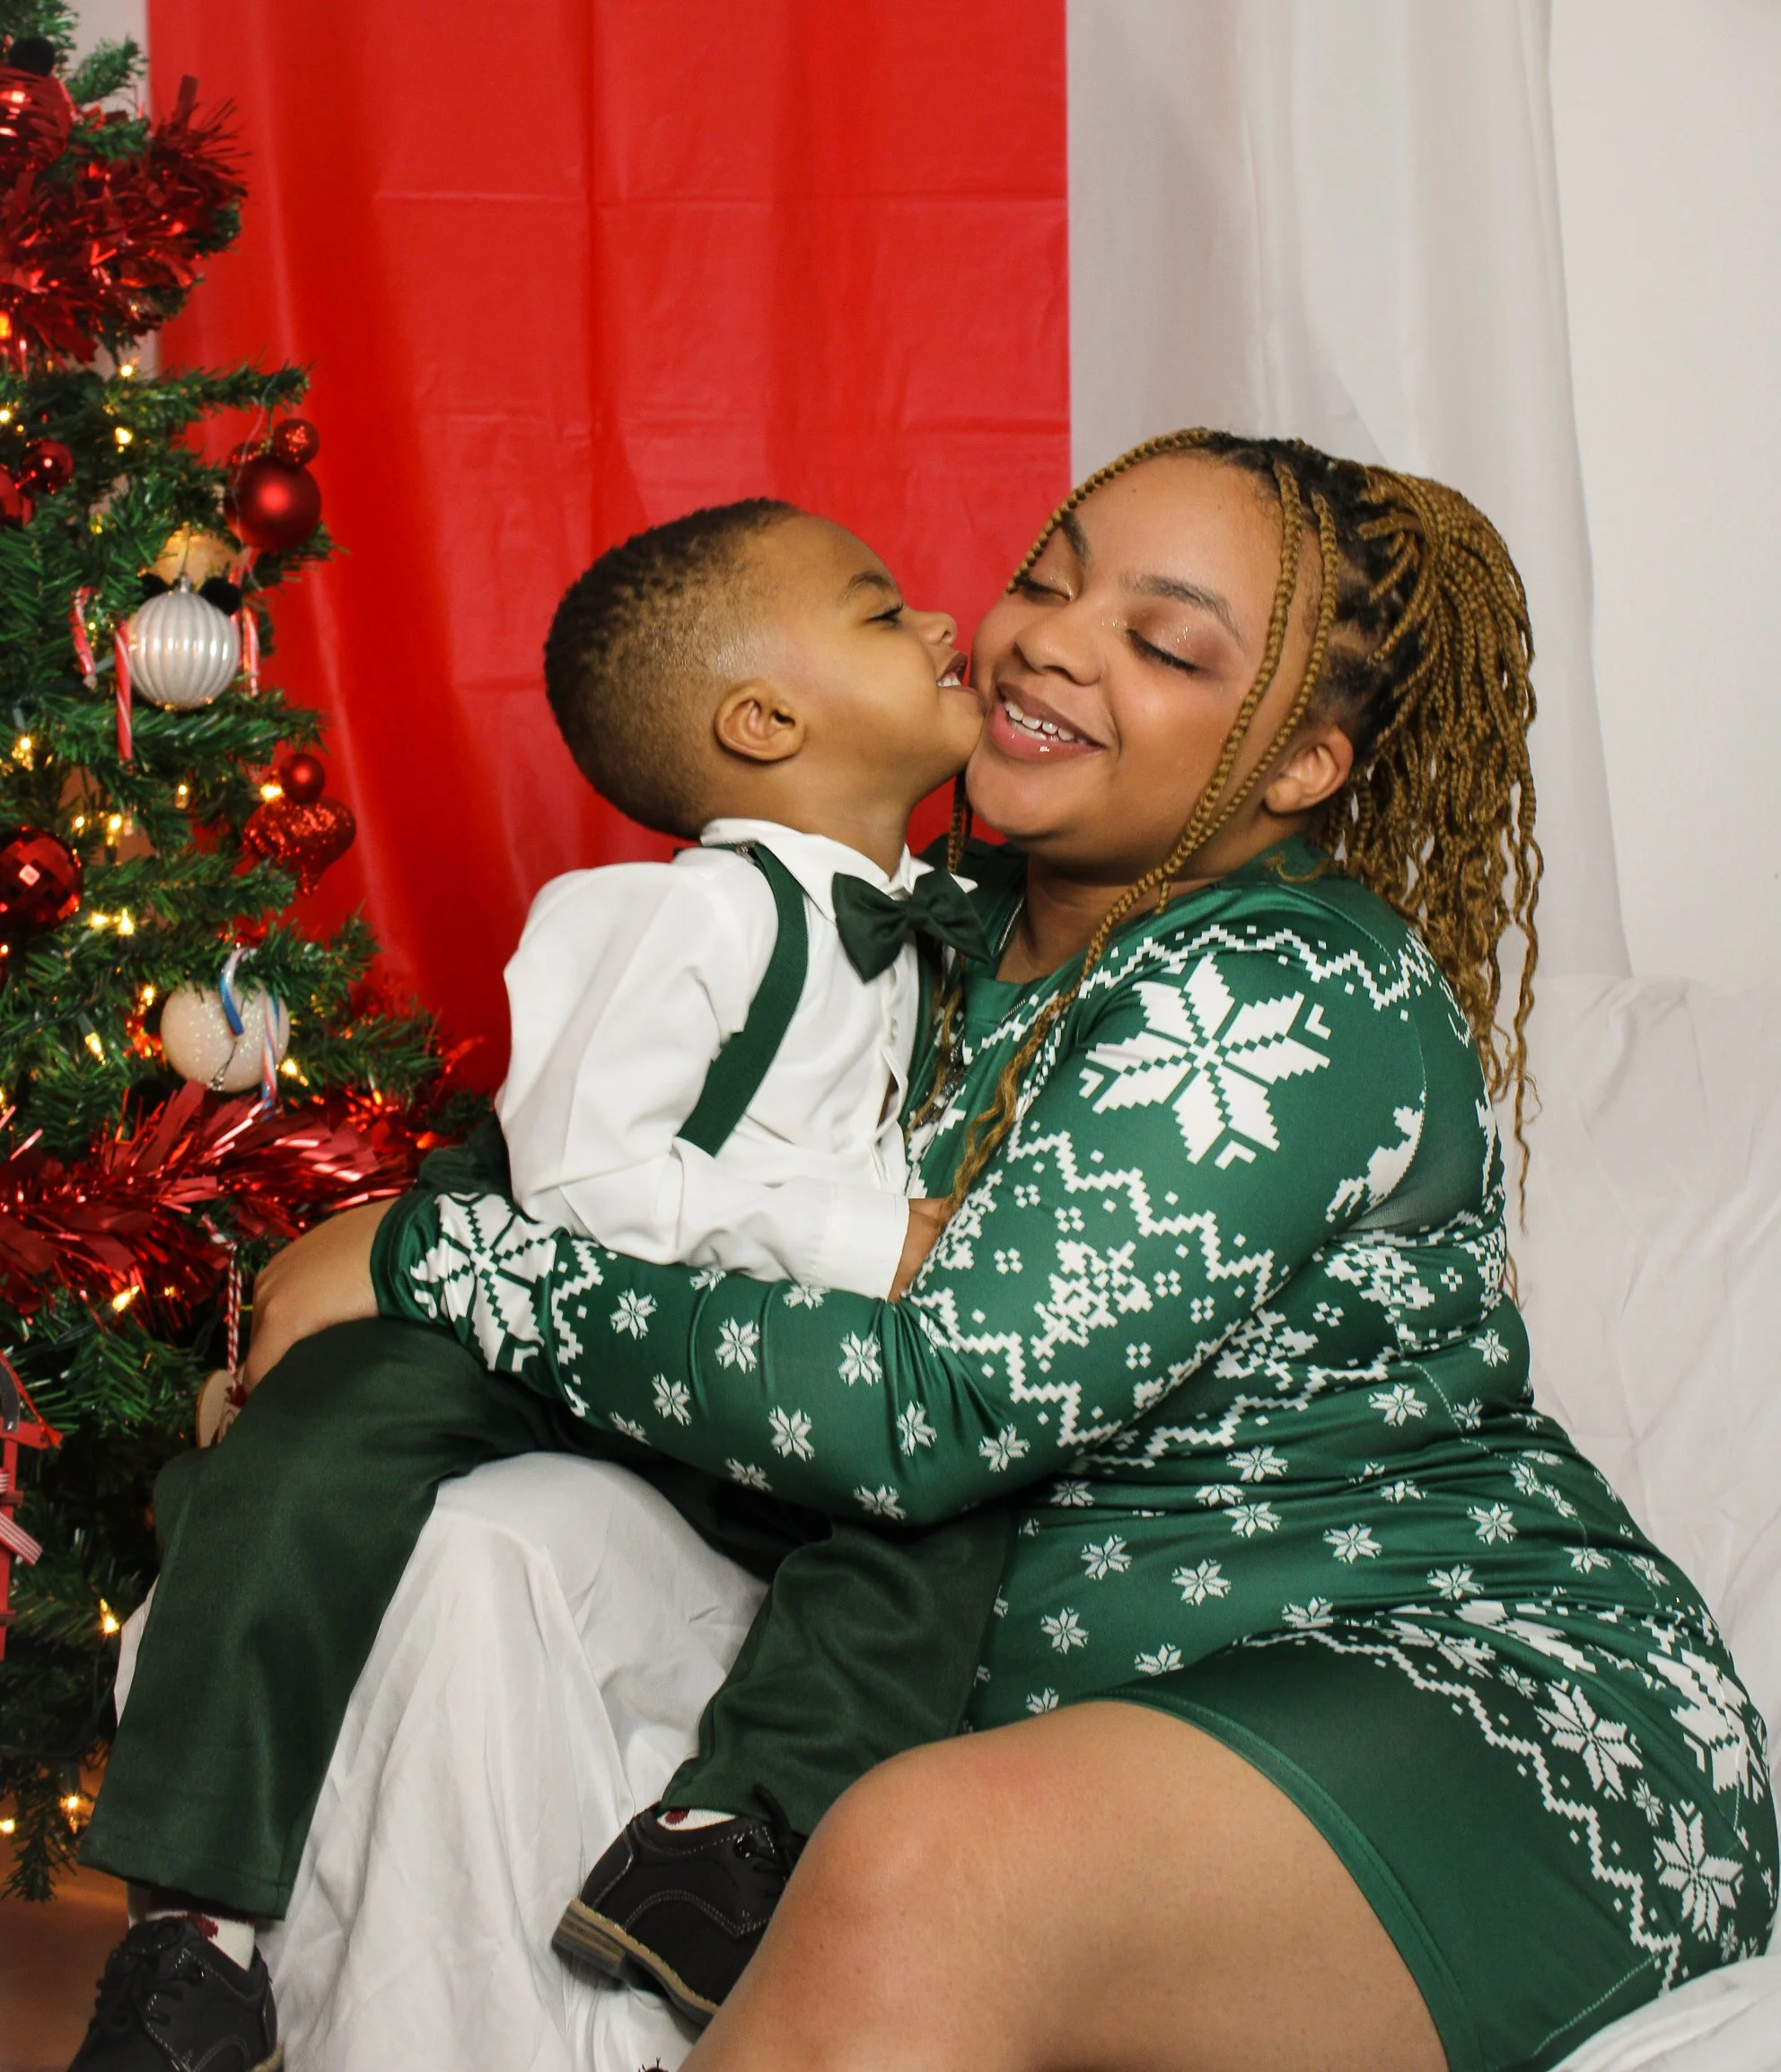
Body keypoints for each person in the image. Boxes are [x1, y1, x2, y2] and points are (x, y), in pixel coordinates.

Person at [247, 430, 1775, 2072]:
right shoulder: (911, 924)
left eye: (1163, 642)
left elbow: (937, 1407)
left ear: (1299, 768)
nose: (1051, 640)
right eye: (1050, 579)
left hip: (1463, 1702)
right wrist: (351, 1354)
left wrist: (445, 1267)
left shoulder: (1284, 992)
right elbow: (635, 1179)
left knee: (919, 1864)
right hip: (1086, 1715)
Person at [66, 500, 1010, 2066]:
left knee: (929, 1514)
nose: (938, 625)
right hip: (529, 1311)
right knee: (322, 1440)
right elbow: (581, 1186)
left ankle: (722, 1846)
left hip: (722, 1361)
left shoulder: (939, 927)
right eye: (878, 610)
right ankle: (195, 1925)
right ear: (762, 722)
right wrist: (860, 1239)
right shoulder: (675, 913)